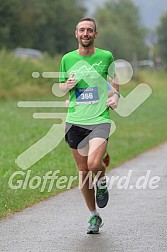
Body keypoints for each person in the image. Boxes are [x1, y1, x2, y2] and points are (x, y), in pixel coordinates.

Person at [59, 17, 119, 234]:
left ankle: (101, 181)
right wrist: (67, 86)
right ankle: (94, 216)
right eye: (82, 30)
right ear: (76, 33)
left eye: (90, 30)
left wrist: (116, 97)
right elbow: (61, 87)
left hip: (100, 119)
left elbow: (114, 82)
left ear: (95, 34)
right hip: (75, 120)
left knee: (94, 165)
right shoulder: (67, 59)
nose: (86, 33)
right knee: (83, 171)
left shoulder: (106, 56)